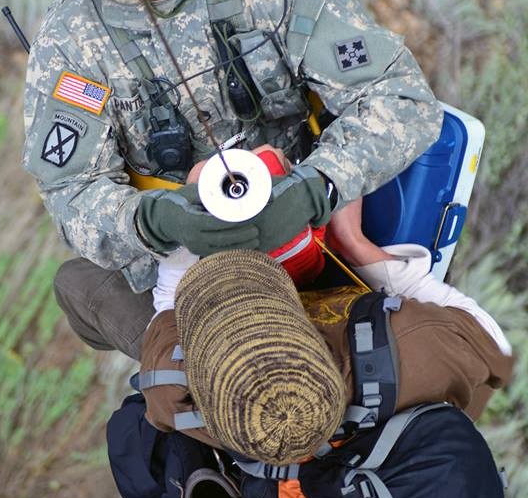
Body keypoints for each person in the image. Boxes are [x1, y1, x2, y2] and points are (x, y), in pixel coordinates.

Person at [23, 0, 443, 359]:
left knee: (429, 357)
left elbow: (402, 100)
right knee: (187, 386)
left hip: (309, 235)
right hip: (183, 269)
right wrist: (153, 221)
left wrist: (319, 186)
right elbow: (72, 191)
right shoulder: (70, 41)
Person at [138, 198, 513, 464]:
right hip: (411, 388)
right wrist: (354, 242)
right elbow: (493, 342)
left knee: (82, 286)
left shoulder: (174, 389)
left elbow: (169, 300)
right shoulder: (418, 344)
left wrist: (187, 205)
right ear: (307, 323)